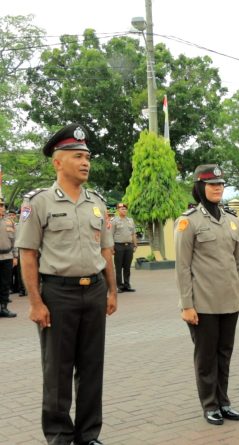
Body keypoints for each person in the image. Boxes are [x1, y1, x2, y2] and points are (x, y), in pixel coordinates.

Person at [15, 124, 117, 445]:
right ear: (57, 162)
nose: (86, 162)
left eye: (87, 156)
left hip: (95, 291)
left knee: (91, 368)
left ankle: (88, 435)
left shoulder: (97, 203)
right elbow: (28, 254)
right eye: (77, 156)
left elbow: (107, 250)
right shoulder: (39, 202)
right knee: (57, 370)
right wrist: (35, 302)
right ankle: (59, 436)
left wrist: (112, 290)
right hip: (57, 293)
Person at [175, 164, 239, 426]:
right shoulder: (188, 221)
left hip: (229, 300)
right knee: (206, 357)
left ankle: (224, 401)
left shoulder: (231, 221)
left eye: (220, 184)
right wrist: (186, 305)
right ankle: (210, 405)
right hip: (203, 303)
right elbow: (182, 267)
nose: (218, 188)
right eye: (211, 184)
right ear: (200, 187)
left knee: (224, 354)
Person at [110, 202, 138, 292]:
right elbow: (111, 234)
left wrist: (135, 244)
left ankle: (127, 285)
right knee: (118, 268)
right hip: (118, 246)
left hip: (129, 246)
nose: (124, 210)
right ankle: (119, 286)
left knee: (127, 267)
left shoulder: (130, 220)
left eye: (125, 209)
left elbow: (133, 233)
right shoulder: (114, 221)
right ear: (118, 210)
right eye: (122, 209)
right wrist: (112, 247)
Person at [0, 199, 18, 318]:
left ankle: (4, 308)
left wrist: (15, 256)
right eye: (0, 205)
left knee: (5, 284)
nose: (2, 207)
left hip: (7, 256)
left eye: (2, 205)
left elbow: (14, 240)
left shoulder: (9, 222)